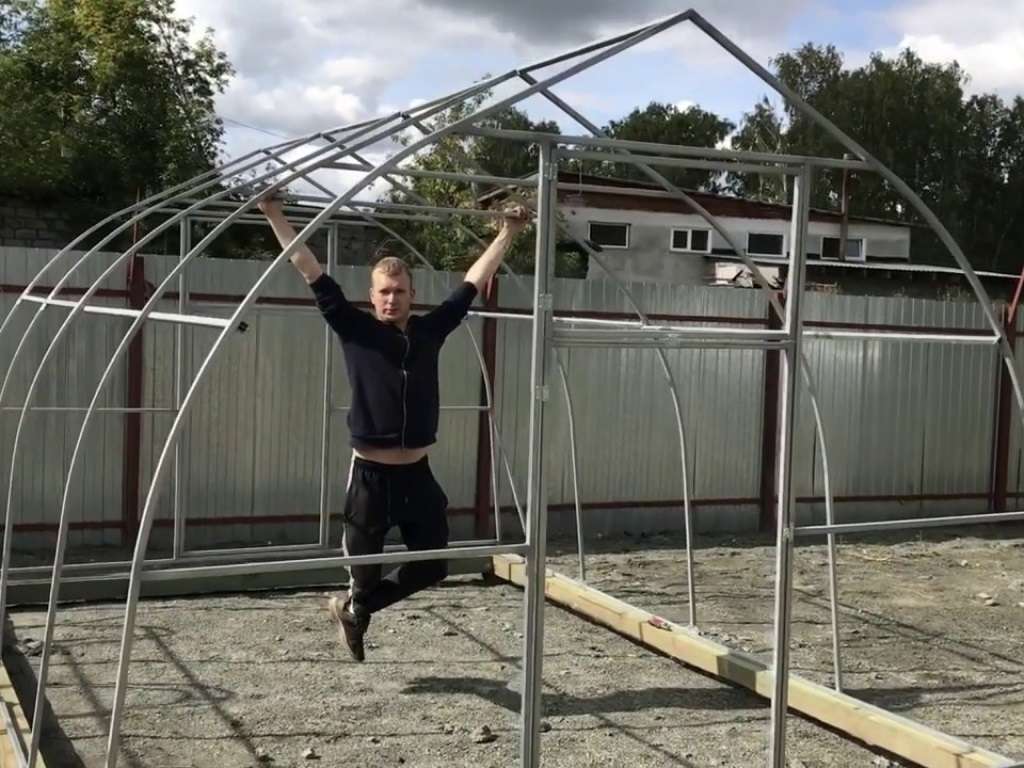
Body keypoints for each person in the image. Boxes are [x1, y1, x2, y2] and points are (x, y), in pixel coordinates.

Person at [258, 194, 529, 661]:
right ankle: (358, 601)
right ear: (371, 296)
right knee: (364, 573)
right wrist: (273, 214)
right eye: (383, 291)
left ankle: (355, 610)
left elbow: (473, 281)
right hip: (370, 476)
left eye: (399, 291)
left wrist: (508, 232)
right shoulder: (355, 329)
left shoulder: (429, 332)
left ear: (411, 295)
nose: (391, 298)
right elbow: (308, 268)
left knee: (433, 564)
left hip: (416, 474)